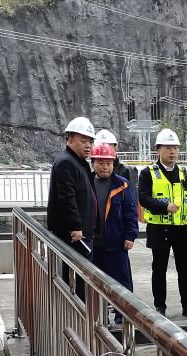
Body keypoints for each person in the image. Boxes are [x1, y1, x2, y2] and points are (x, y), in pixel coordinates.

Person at [137, 128, 187, 318]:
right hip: (159, 228)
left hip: (182, 229)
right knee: (159, 269)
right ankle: (160, 306)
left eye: (175, 148)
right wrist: (165, 206)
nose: (172, 151)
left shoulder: (185, 172)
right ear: (158, 149)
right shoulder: (149, 173)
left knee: (185, 269)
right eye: (167, 148)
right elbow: (143, 198)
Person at [47, 116, 98, 295]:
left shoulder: (78, 162)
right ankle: (81, 308)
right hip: (74, 235)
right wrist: (76, 226)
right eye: (83, 141)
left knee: (82, 275)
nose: (88, 145)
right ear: (69, 139)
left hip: (82, 232)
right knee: (80, 276)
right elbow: (67, 198)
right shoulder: (67, 162)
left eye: (90, 141)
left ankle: (82, 306)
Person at [88, 142, 138, 302]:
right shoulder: (86, 182)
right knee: (94, 283)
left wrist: (130, 235)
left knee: (122, 284)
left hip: (116, 243)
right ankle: (98, 314)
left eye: (109, 163)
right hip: (93, 244)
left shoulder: (122, 184)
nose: (105, 167)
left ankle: (121, 314)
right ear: (93, 163)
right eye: (101, 163)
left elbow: (131, 211)